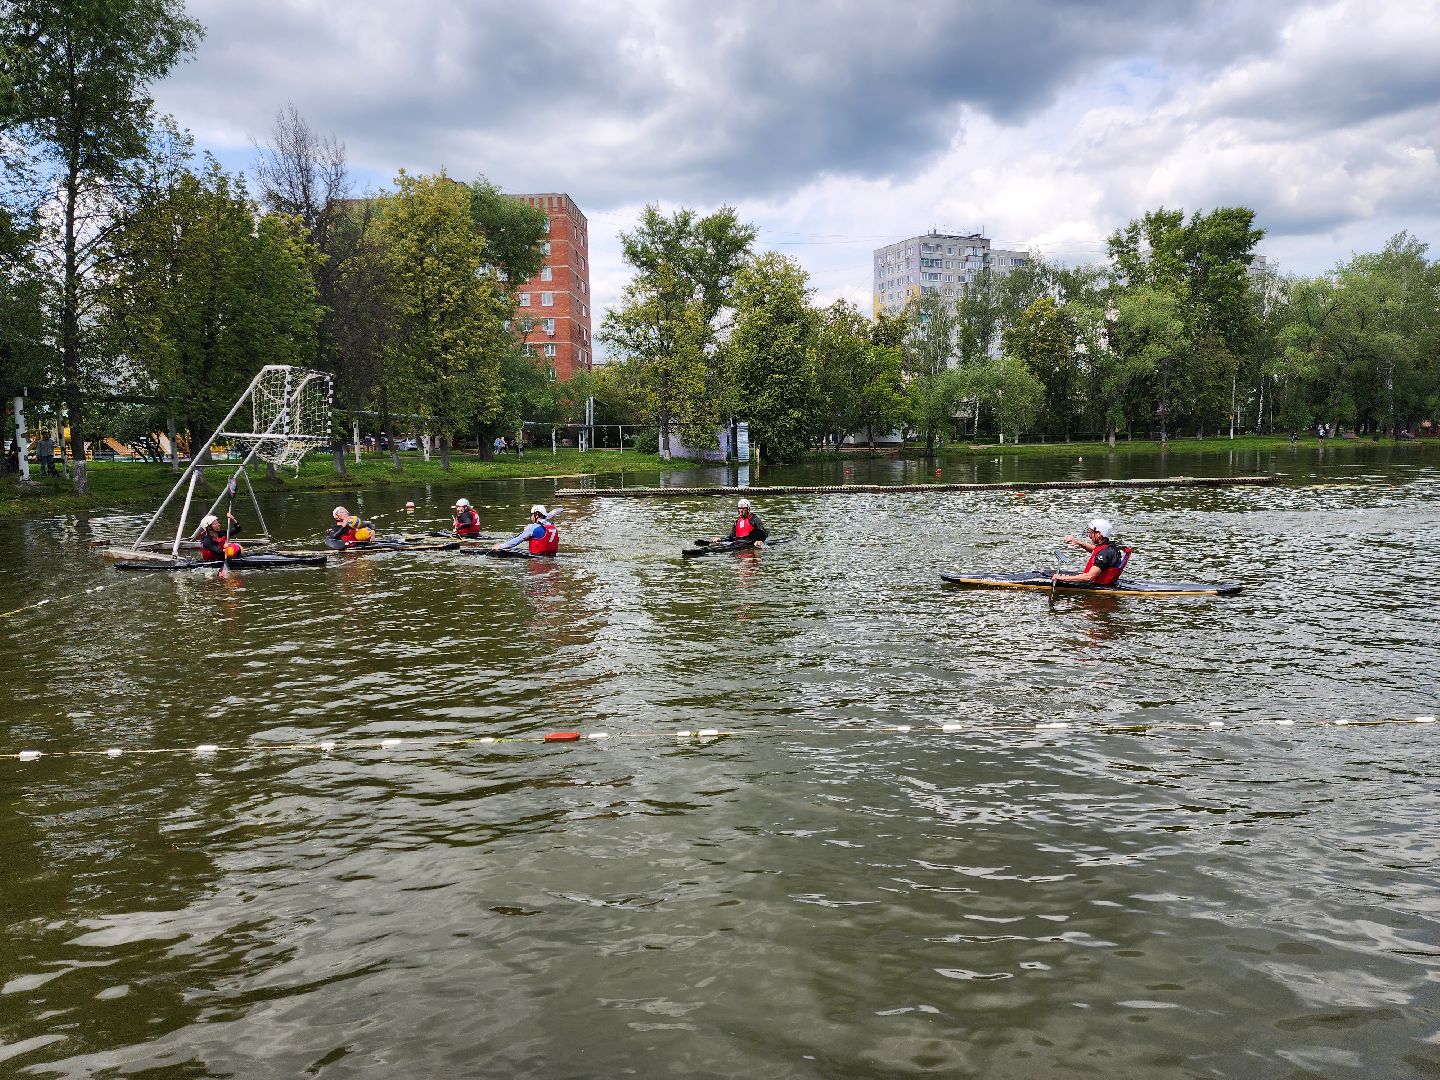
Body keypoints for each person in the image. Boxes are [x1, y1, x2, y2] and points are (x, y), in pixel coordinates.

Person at [1054, 518, 1129, 586]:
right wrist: (1077, 542)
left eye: (1091, 532)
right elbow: (1095, 550)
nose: (1089, 536)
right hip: (1107, 581)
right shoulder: (1109, 547)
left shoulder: (1105, 554)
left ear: (1099, 534)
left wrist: (1061, 578)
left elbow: (1089, 577)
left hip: (1099, 584)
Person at [493, 504, 560, 556]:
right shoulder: (553, 526)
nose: (531, 517)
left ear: (536, 514)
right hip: (552, 557)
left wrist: (500, 547)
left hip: (537, 559)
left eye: (531, 515)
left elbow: (516, 540)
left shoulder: (533, 527)